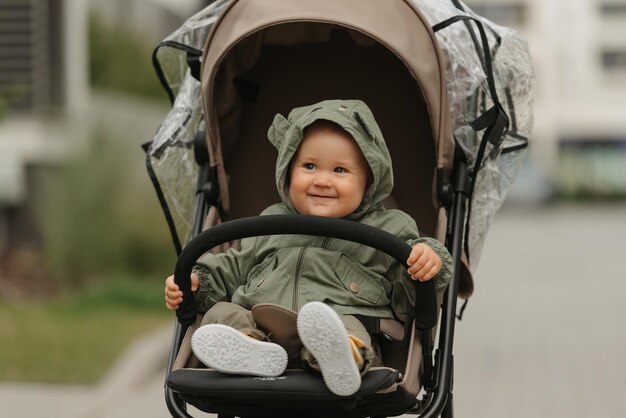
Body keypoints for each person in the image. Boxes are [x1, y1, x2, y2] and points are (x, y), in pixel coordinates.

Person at [164, 99, 453, 396]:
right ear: (289, 171)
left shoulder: (390, 229)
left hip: (341, 327)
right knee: (222, 313)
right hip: (264, 330)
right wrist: (197, 281)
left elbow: (409, 296)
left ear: (369, 181)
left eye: (340, 170)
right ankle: (249, 350)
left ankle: (341, 356)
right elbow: (235, 267)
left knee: (345, 327)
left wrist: (427, 260)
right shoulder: (271, 222)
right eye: (309, 166)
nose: (322, 180)